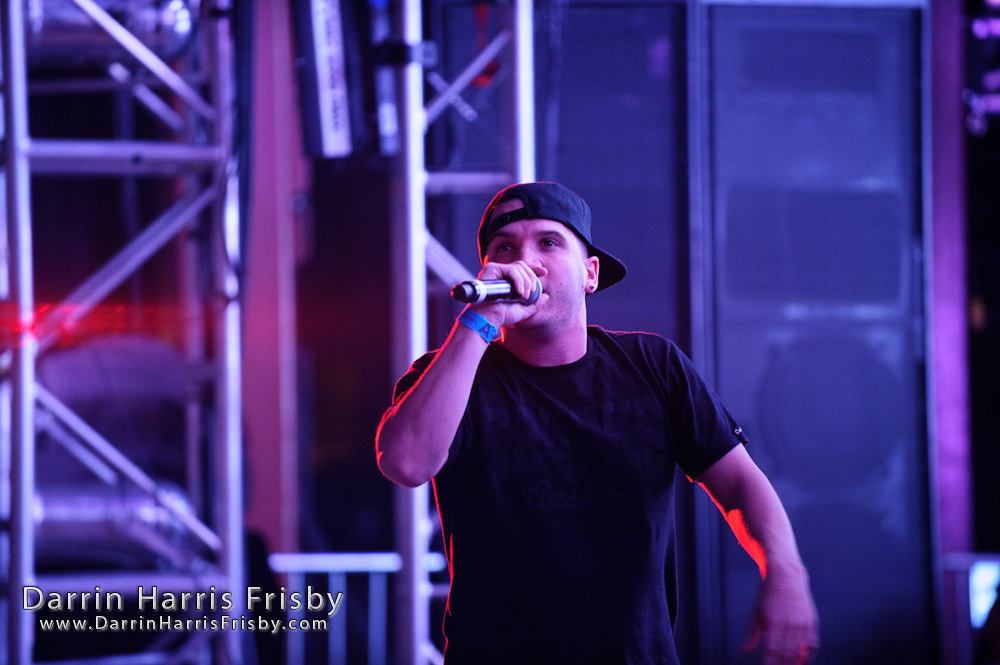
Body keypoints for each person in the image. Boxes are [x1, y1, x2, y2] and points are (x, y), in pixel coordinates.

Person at [376, 182, 819, 665]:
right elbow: (405, 464)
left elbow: (738, 483)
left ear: (590, 273)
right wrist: (478, 322)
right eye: (505, 248)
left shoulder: (653, 365)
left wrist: (785, 570)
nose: (527, 261)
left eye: (548, 242)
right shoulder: (453, 375)